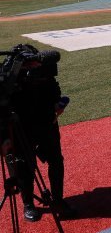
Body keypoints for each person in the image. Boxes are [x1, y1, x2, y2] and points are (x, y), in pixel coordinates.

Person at [8, 45, 77, 222]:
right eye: (30, 65)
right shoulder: (12, 77)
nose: (34, 69)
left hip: (47, 122)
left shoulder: (45, 70)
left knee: (56, 160)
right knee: (24, 165)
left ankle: (58, 200)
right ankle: (28, 204)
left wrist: (58, 105)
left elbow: (55, 92)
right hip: (22, 127)